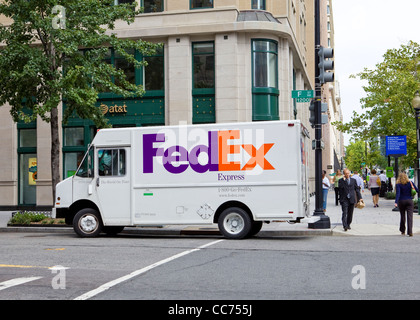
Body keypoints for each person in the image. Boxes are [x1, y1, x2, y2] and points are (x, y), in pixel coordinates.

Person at [394, 172, 418, 237]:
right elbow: (417, 190)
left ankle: (403, 230)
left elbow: (398, 194)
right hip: (409, 201)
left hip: (401, 201)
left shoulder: (398, 184)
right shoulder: (410, 183)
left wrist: (396, 202)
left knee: (402, 216)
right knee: (410, 217)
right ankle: (410, 231)